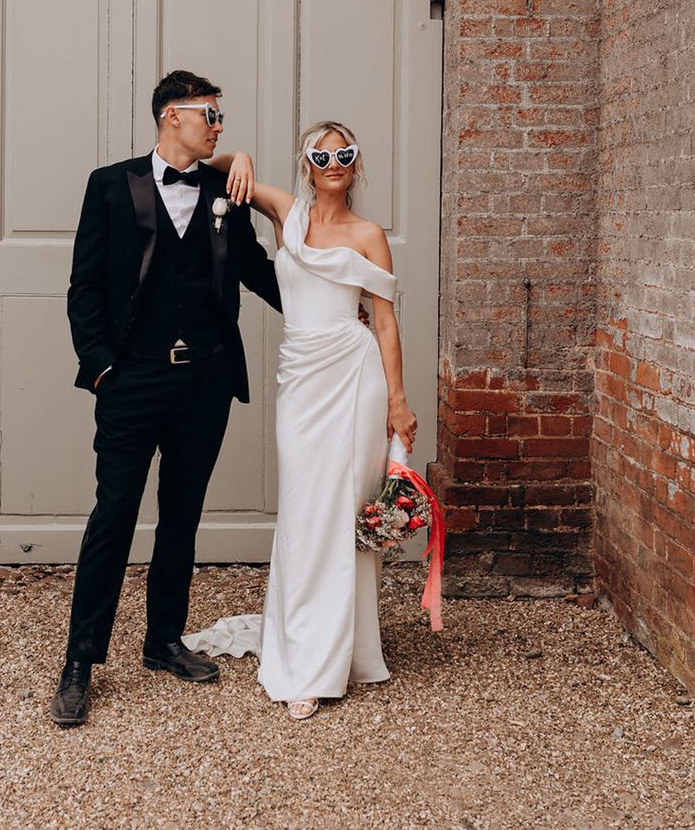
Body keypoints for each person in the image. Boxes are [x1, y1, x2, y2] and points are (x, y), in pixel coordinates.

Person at [48, 70, 282, 727]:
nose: (218, 126)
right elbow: (84, 288)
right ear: (170, 116)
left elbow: (258, 272)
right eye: (210, 114)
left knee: (182, 515)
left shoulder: (223, 191)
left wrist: (323, 312)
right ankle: (79, 660)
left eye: (220, 116)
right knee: (113, 516)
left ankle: (163, 640)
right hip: (133, 381)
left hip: (205, 380)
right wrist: (101, 371)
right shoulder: (110, 185)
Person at [183, 121, 418, 720]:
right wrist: (246, 157)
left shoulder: (370, 235)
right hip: (301, 378)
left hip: (354, 377)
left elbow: (385, 322)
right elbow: (212, 165)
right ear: (307, 164)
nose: (333, 161)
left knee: (342, 512)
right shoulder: (285, 212)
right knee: (303, 509)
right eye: (321, 153)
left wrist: (397, 400)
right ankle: (302, 638)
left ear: (356, 165)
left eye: (344, 152)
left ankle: (327, 658)